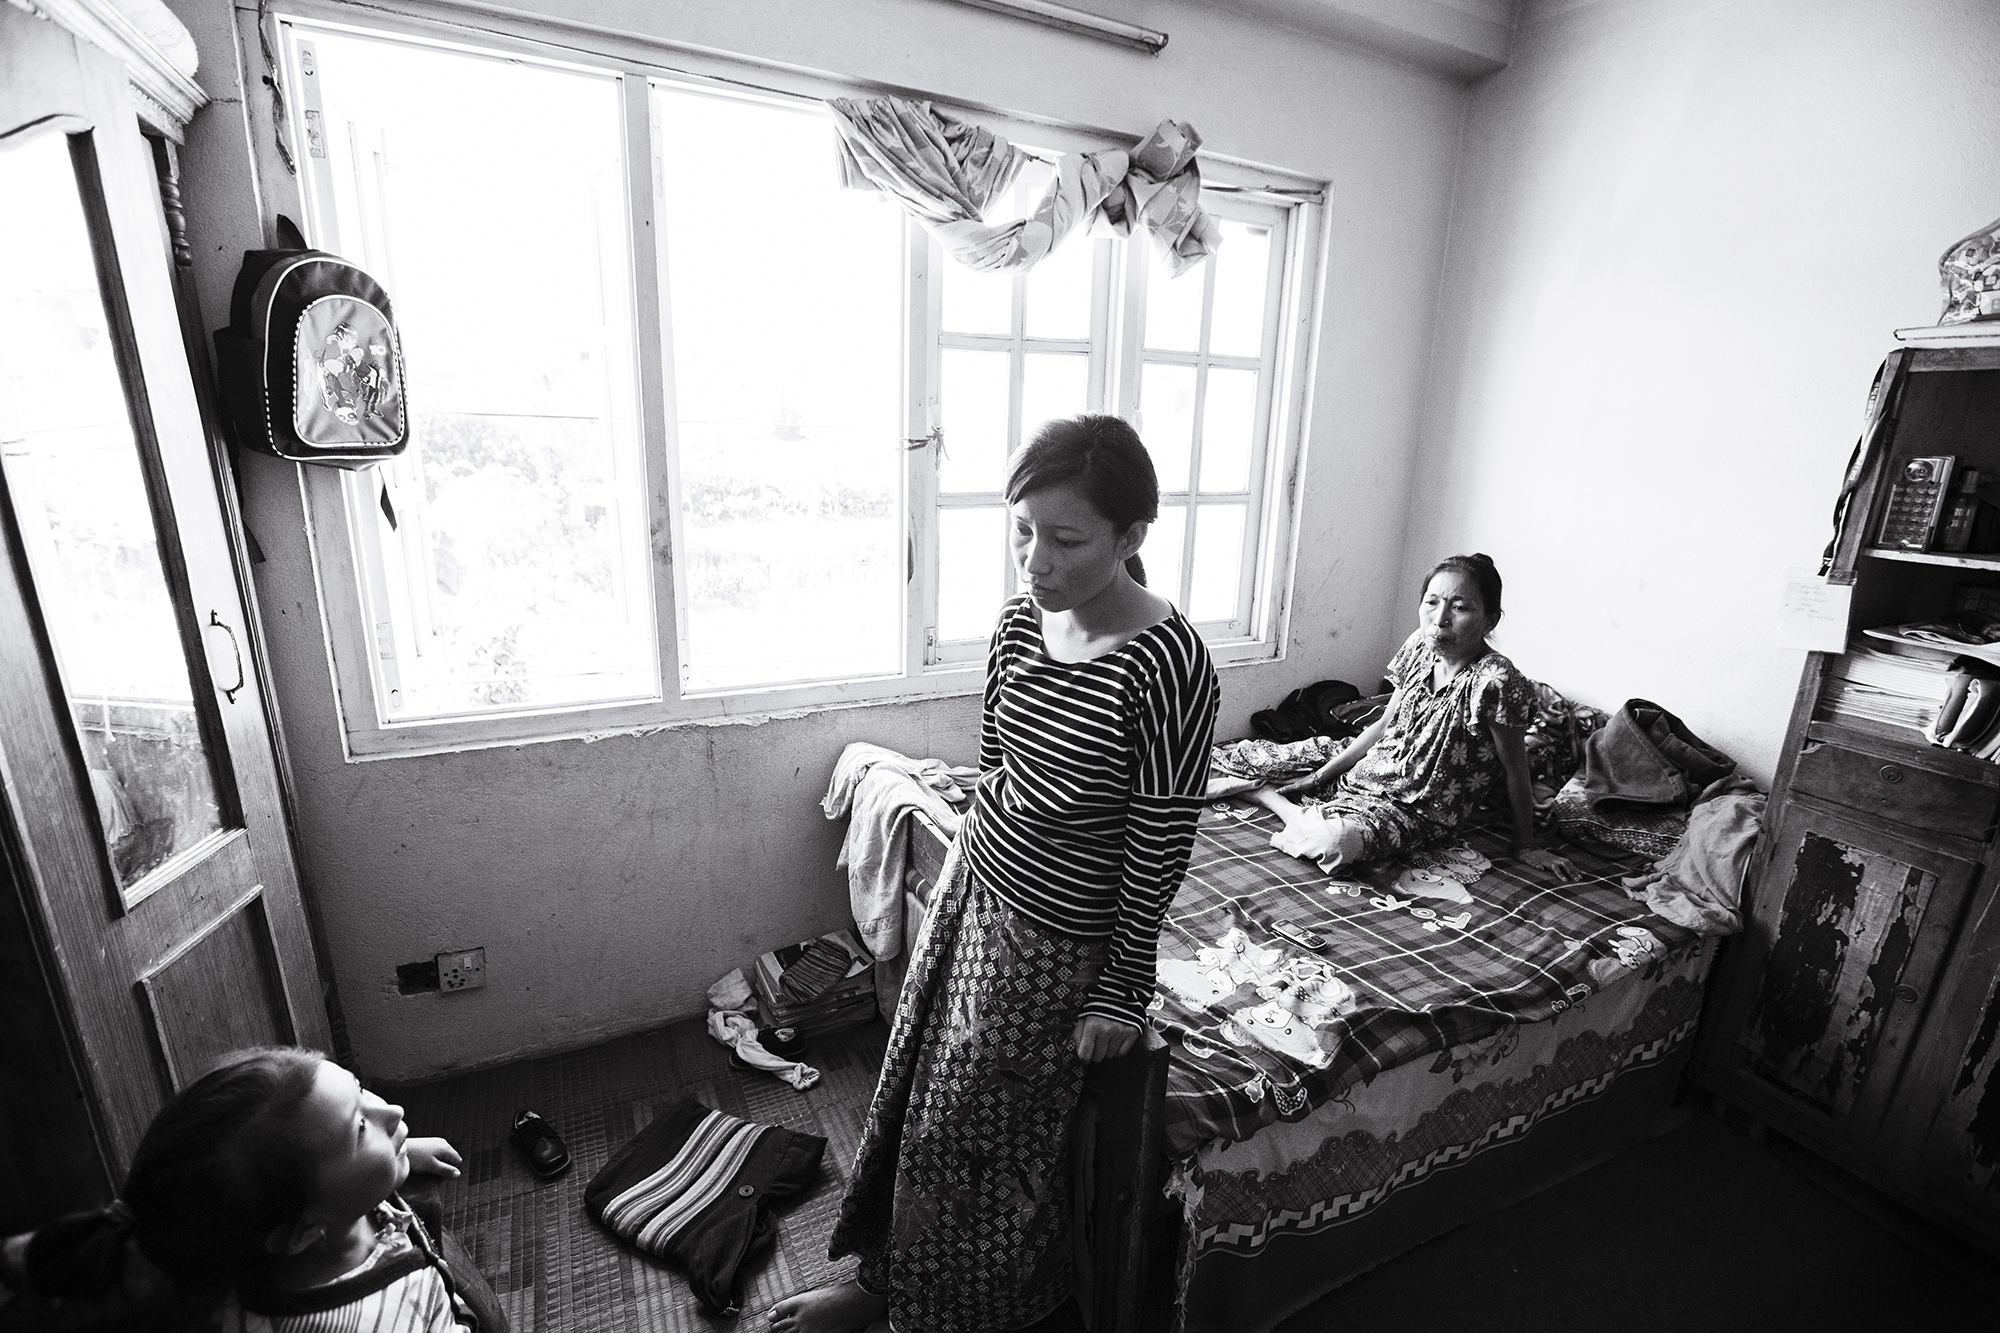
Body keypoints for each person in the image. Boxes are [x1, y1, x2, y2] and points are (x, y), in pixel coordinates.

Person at [772, 416, 1219, 1333]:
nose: (1035, 560)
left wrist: (1121, 991)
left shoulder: (1169, 663)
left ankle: (948, 1312)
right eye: (1022, 530)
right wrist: (955, 891)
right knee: (915, 1097)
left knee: (980, 1144)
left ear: (1132, 537)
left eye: (1065, 539)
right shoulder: (1019, 623)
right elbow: (998, 768)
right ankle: (884, 1281)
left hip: (1055, 952)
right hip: (975, 901)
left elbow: (1159, 840)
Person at [4, 1046, 505, 1331]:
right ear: (301, 1234)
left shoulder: (322, 1209)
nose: (392, 1111)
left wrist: (397, 1150)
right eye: (359, 1128)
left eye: (358, 1090)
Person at [1250, 553, 1576, 881]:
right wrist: (1319, 777)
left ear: (1490, 620)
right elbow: (1384, 725)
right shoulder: (1420, 646)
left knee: (1334, 843)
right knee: (1255, 756)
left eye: (1460, 607)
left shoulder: (1496, 681)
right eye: (1431, 602)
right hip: (1371, 773)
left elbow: (1515, 768)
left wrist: (1527, 845)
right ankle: (1298, 799)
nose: (1440, 619)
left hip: (1417, 810)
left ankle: (1269, 799)